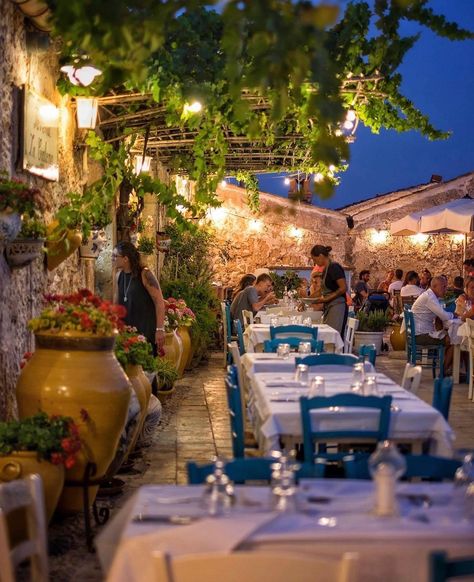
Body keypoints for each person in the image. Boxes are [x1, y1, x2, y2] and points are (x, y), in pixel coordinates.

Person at [113, 241, 166, 355]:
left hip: (145, 330)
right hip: (127, 333)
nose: (113, 259)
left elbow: (159, 302)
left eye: (115, 256)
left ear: (125, 258)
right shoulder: (119, 276)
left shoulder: (145, 274)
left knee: (146, 369)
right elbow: (116, 304)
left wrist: (160, 329)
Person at [410, 275, 454, 370]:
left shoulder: (429, 295)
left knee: (448, 334)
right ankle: (445, 370)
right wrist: (455, 315)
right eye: (443, 287)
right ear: (434, 286)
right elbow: (444, 316)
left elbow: (440, 316)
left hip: (417, 333)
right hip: (420, 336)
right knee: (453, 340)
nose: (445, 289)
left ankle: (448, 367)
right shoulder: (430, 297)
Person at [309, 244, 347, 336]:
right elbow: (322, 289)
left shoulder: (334, 267)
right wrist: (307, 299)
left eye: (315, 259)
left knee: (333, 336)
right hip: (330, 306)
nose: (315, 262)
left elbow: (343, 288)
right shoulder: (326, 269)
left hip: (337, 306)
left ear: (321, 256)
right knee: (328, 334)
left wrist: (326, 299)